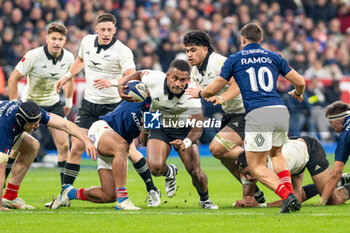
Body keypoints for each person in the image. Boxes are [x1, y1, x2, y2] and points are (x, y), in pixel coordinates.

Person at [186, 23, 306, 213]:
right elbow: (300, 81)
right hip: (280, 110)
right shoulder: (275, 56)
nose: (189, 54)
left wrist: (202, 93)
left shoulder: (233, 59)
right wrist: (298, 93)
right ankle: (288, 196)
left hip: (256, 113)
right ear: (261, 40)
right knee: (276, 154)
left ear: (242, 40)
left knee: (255, 165)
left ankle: (288, 196)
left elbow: (212, 89)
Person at [54, 13, 155, 205]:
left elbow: (132, 76)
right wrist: (67, 76)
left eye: (110, 30)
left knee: (128, 149)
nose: (106, 33)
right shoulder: (86, 42)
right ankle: (64, 194)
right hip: (90, 104)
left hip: (113, 107)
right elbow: (79, 61)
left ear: (115, 30)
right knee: (76, 146)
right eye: (103, 29)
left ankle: (151, 188)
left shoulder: (123, 51)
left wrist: (112, 82)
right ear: (96, 29)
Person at [118, 59, 218, 209]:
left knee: (195, 172)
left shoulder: (193, 94)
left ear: (188, 80)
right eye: (175, 78)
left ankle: (205, 200)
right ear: (167, 76)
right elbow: (138, 75)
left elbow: (198, 127)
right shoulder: (154, 79)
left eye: (182, 80)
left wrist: (186, 142)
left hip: (184, 130)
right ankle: (170, 171)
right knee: (155, 167)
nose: (178, 83)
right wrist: (121, 87)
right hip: (160, 125)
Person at [183, 30, 266, 204]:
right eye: (187, 50)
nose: (189, 54)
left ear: (205, 50)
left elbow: (239, 84)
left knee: (217, 148)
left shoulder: (217, 63)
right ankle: (254, 195)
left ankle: (255, 158)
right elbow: (196, 95)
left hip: (248, 111)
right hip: (231, 113)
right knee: (225, 158)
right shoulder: (196, 72)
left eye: (193, 50)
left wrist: (222, 98)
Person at [51, 98, 159, 210]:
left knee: (109, 195)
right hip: (102, 129)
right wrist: (116, 84)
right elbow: (128, 86)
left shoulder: (155, 113)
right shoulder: (143, 95)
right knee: (121, 146)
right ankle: (123, 199)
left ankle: (70, 193)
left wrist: (147, 130)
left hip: (116, 145)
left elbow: (144, 141)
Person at [7, 22, 75, 187]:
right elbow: (13, 79)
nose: (57, 42)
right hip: (30, 105)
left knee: (64, 144)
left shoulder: (69, 57)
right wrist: (13, 105)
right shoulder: (33, 55)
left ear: (64, 41)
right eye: (53, 38)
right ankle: (3, 187)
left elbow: (70, 78)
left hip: (53, 104)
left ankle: (64, 190)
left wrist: (68, 102)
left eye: (60, 39)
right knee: (15, 148)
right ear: (46, 39)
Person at [0, 101, 96, 210]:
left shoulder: (29, 112)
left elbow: (64, 124)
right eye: (34, 123)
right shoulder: (4, 129)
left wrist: (86, 140)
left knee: (31, 146)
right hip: (2, 127)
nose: (37, 125)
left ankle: (10, 197)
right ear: (22, 121)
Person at [234, 136, 350, 208]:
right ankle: (335, 182)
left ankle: (333, 183)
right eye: (245, 174)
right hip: (293, 148)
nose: (248, 178)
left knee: (334, 199)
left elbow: (294, 199)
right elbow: (248, 198)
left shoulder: (278, 166)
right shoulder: (248, 167)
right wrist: (245, 202)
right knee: (303, 193)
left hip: (309, 150)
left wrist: (261, 205)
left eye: (249, 173)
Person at [320, 101, 350, 206]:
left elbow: (336, 172)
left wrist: (322, 201)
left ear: (339, 121)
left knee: (336, 199)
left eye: (331, 123)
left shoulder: (345, 134)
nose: (332, 128)